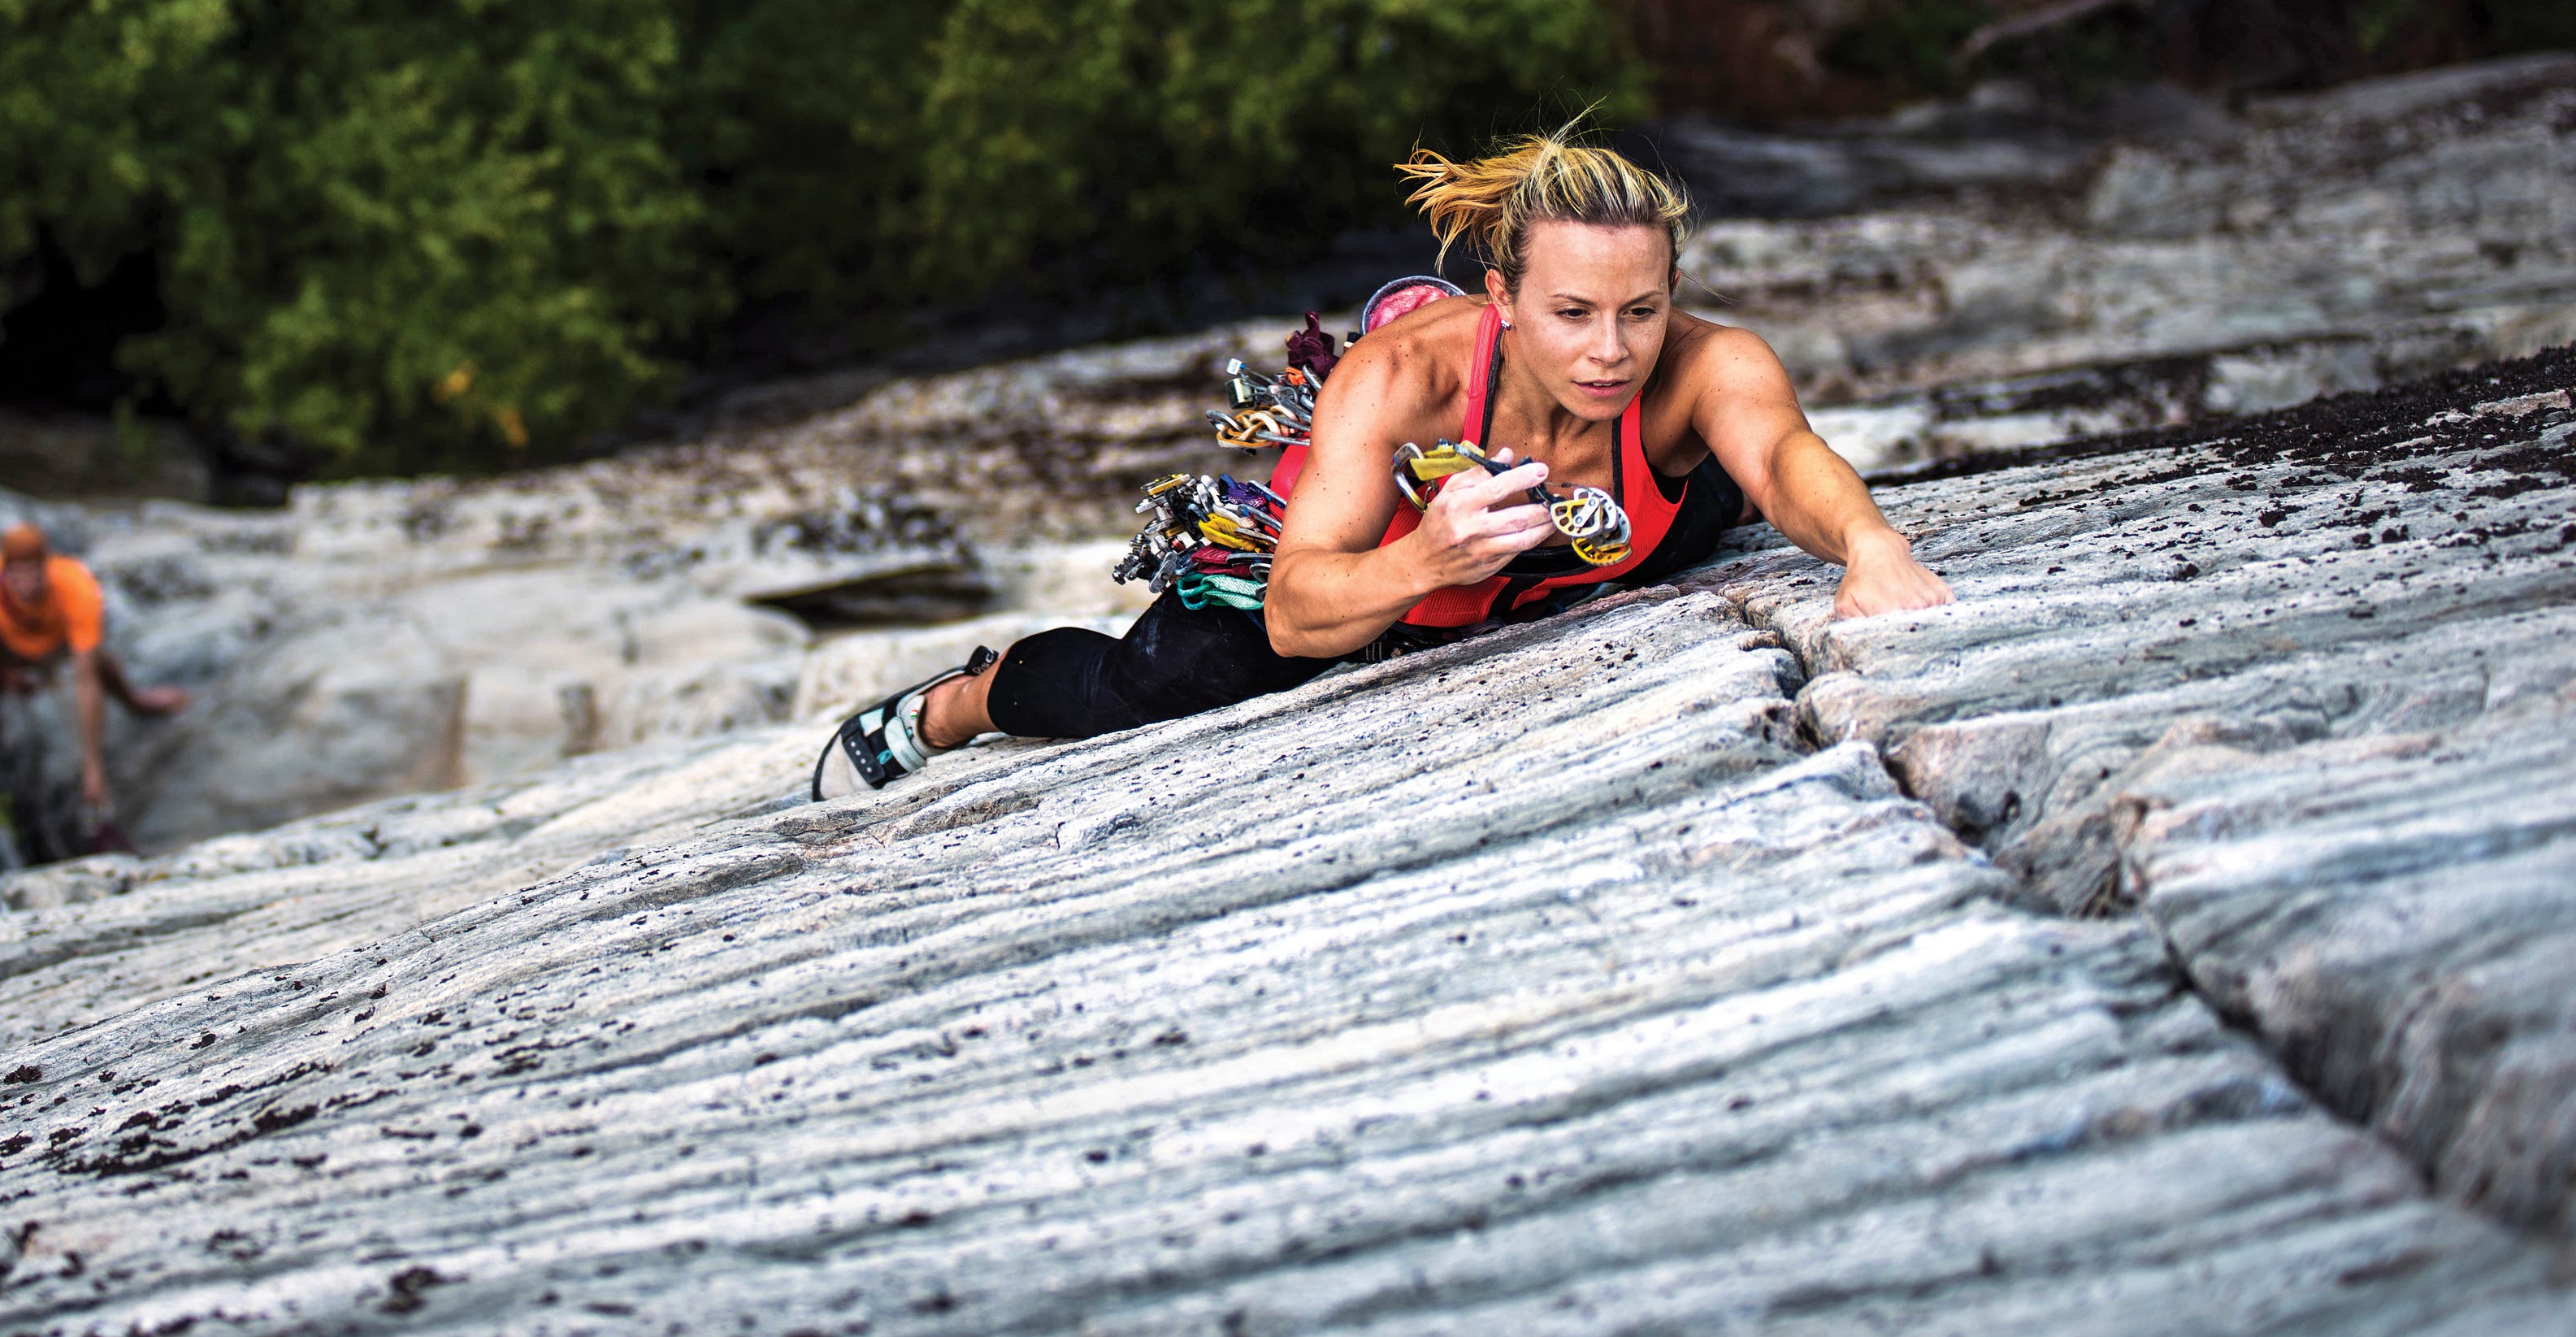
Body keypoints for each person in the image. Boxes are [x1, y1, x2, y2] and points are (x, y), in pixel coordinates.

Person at [816, 131, 1954, 795]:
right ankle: (955, 702)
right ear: (1501, 297)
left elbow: (1786, 456)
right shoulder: (1403, 378)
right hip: (1387, 568)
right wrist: (1423, 559)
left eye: (1640, 310)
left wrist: (1868, 543)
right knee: (1151, 685)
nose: (1610, 351)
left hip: (1593, 544)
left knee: (1724, 492)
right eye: (1571, 313)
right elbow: (1295, 609)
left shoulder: (1701, 368)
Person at [0, 522, 189, 833]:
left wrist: (93, 769)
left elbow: (86, 679)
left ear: (47, 566)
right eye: (17, 574)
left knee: (100, 664)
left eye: (34, 572)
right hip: (8, 646)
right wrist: (5, 669)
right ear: (3, 570)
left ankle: (134, 700)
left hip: (57, 644)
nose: (26, 585)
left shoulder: (76, 586)